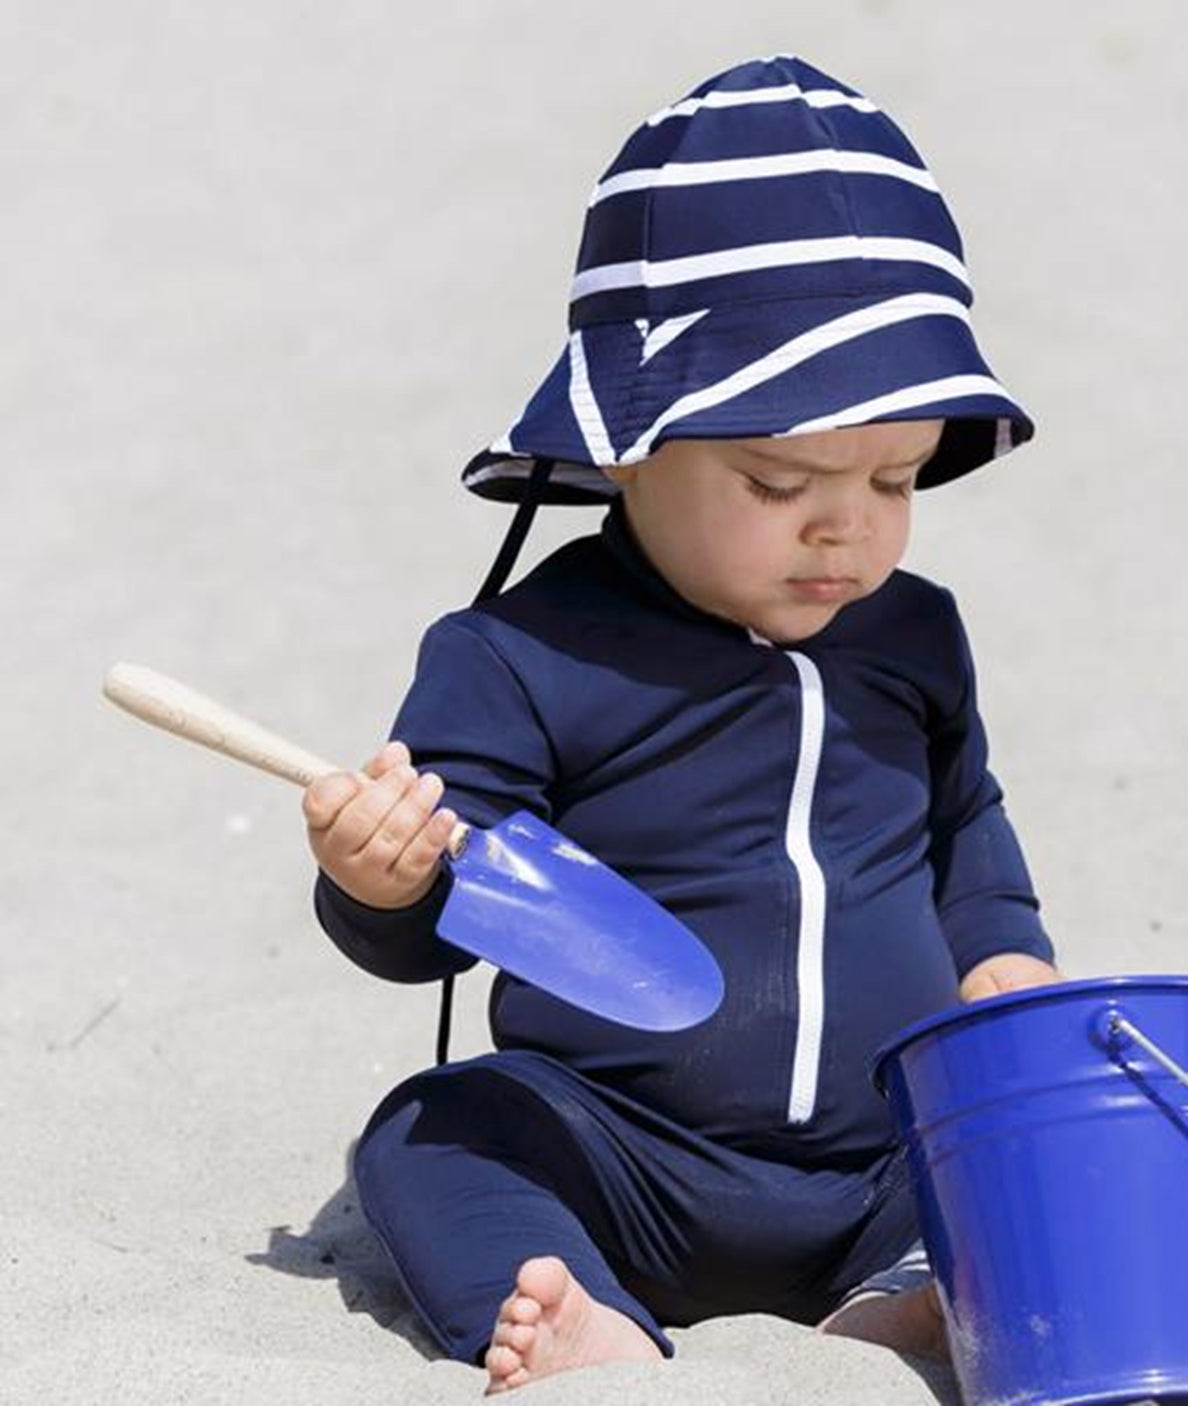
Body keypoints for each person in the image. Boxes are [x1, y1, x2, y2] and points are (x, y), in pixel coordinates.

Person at [304, 55, 1061, 1394]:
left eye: (897, 478)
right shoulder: (524, 654)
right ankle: (580, 1313)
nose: (846, 529)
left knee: (1034, 1139)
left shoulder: (913, 637)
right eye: (780, 481)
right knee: (434, 1128)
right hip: (622, 1148)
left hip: (885, 1148)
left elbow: (962, 823)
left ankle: (902, 1292)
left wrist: (1003, 950)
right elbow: (445, 914)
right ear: (627, 448)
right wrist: (381, 880)